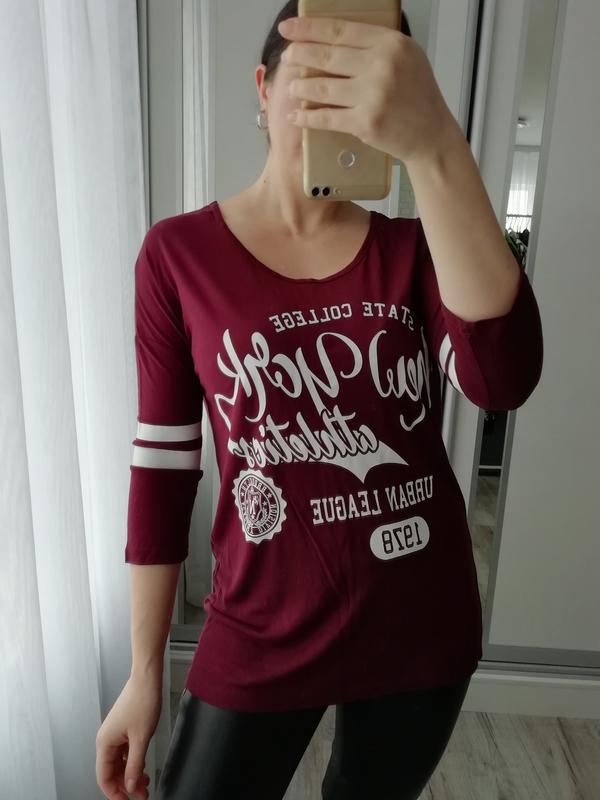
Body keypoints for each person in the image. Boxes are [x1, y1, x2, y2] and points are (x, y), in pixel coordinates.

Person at [96, 2, 544, 799]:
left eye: (364, 88)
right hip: (258, 629)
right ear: (263, 89)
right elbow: (162, 468)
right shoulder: (178, 256)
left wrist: (437, 145)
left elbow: (500, 380)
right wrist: (143, 672)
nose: (338, 106)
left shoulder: (417, 252)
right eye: (317, 80)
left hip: (419, 624)